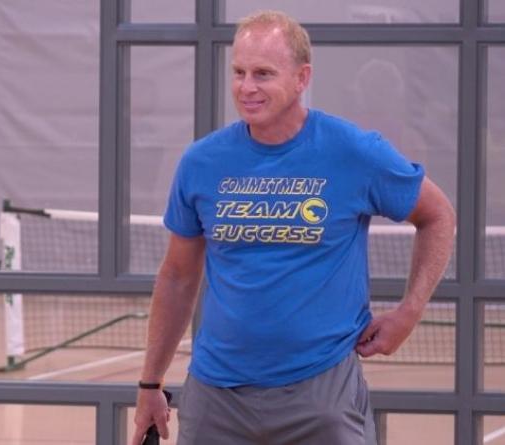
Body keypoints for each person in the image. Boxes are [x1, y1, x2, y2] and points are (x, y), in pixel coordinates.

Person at [130, 10, 455, 445]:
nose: (247, 87)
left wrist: (410, 311)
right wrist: (150, 383)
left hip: (321, 394)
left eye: (263, 73)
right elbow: (176, 276)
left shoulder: (353, 151)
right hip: (216, 398)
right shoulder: (201, 162)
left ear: (302, 78)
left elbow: (437, 216)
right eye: (240, 72)